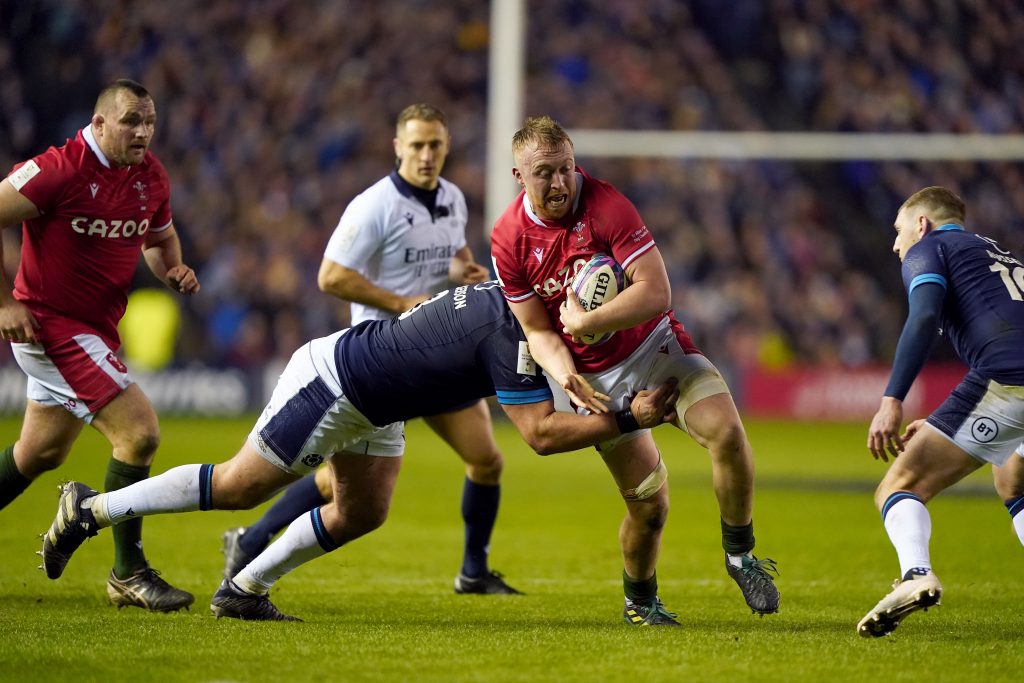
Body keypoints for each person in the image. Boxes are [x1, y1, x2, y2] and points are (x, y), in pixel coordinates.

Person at [40, 283, 679, 621]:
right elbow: (539, 435)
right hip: (337, 380)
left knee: (364, 509)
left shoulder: (515, 305)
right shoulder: (509, 337)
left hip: (378, 397)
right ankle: (90, 509)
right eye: (590, 322)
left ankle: (242, 587)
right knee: (240, 485)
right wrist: (627, 415)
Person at [489, 115, 779, 627]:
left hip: (655, 347)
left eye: (566, 169)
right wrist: (564, 372)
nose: (560, 184)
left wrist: (587, 320)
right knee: (650, 506)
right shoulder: (508, 240)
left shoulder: (607, 205)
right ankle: (640, 604)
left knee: (728, 434)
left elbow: (656, 291)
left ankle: (740, 556)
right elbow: (536, 327)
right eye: (545, 174)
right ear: (519, 176)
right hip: (598, 382)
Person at [220, 103, 516, 595]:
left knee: (487, 460)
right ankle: (250, 542)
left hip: (444, 354)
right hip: (382, 359)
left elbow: (453, 252)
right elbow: (330, 277)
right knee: (336, 483)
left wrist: (465, 269)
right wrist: (401, 302)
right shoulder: (374, 205)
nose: (426, 155)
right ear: (398, 146)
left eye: (435, 145)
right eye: (417, 145)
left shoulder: (453, 199)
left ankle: (473, 571)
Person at [0, 79, 199, 612]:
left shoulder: (150, 175)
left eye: (150, 121)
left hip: (94, 329)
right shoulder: (59, 169)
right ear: (100, 123)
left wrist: (170, 268)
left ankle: (110, 551)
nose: (143, 132)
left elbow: (158, 238)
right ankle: (128, 573)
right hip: (51, 325)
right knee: (139, 435)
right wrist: (4, 302)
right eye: (132, 120)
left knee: (38, 453)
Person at [859, 186, 1024, 637]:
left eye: (898, 230)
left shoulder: (930, 248)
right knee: (1013, 478)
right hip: (1010, 378)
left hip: (1011, 382)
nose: (895, 244)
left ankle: (915, 576)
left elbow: (924, 318)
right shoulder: (999, 255)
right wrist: (940, 419)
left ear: (921, 224)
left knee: (900, 483)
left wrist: (891, 399)